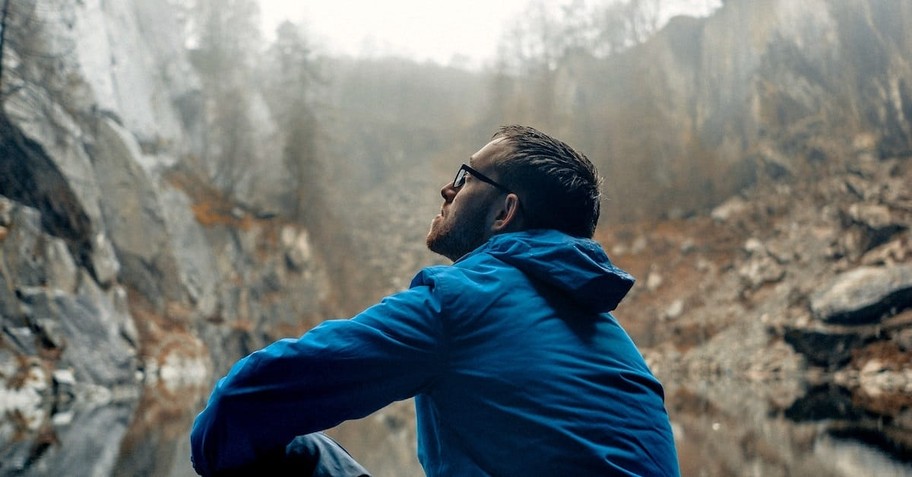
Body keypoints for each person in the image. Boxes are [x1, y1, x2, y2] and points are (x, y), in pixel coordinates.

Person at [190, 125, 680, 476]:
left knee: (294, 452)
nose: (447, 189)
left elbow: (246, 399)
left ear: (504, 212)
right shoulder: (618, 347)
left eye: (465, 177)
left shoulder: (464, 300)